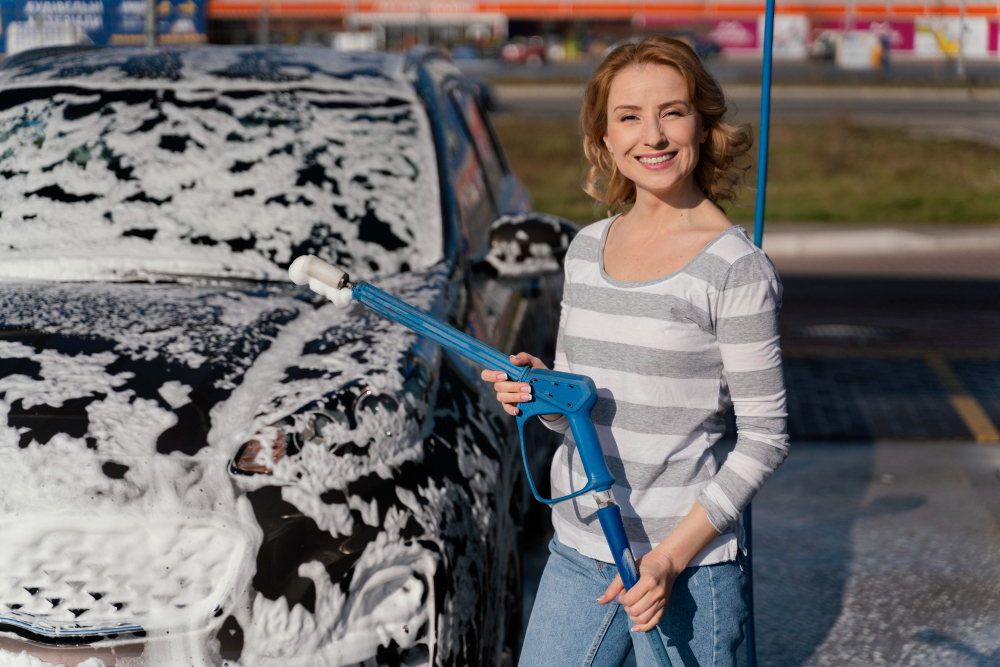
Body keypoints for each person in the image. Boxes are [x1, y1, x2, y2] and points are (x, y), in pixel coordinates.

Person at [480, 36, 789, 667]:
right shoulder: (587, 248)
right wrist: (540, 390)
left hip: (686, 570)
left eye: (672, 112)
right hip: (578, 548)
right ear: (603, 140)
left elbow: (765, 436)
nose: (653, 135)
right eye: (629, 117)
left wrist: (671, 558)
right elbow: (576, 405)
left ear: (703, 125)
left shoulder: (734, 268)